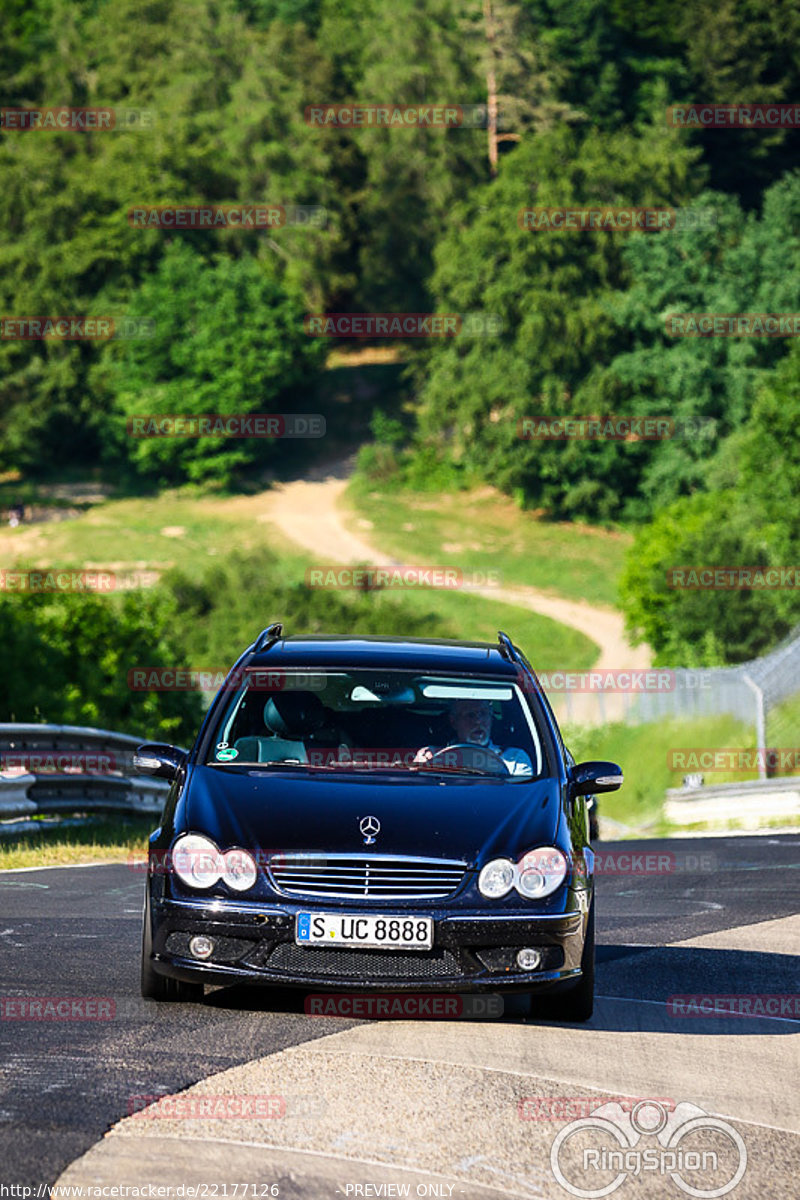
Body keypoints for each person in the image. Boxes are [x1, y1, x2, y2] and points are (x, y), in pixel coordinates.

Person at [414, 698, 533, 777]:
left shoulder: (514, 758)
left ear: (491, 718)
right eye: (470, 715)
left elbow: (519, 797)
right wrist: (421, 768)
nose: (478, 721)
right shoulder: (433, 757)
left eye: (483, 713)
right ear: (454, 721)